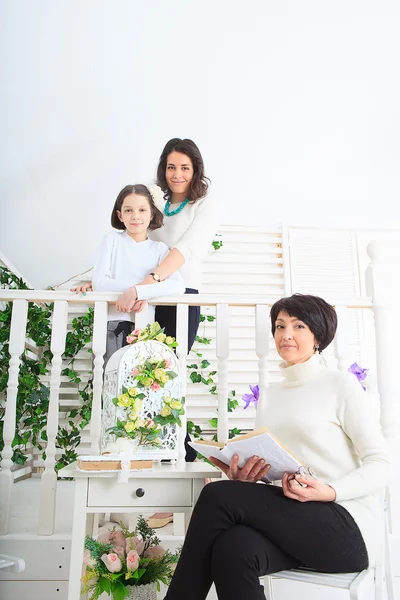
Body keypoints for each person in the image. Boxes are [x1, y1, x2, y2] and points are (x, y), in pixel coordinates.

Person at [164, 294, 391, 600]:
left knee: (217, 494)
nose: (286, 334)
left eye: (298, 326)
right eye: (280, 326)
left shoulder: (340, 385)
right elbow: (276, 471)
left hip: (347, 526)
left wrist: (329, 490)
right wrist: (249, 477)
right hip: (298, 522)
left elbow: (382, 464)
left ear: (318, 335)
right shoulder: (270, 396)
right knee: (233, 547)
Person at [91, 183, 184, 366]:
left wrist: (137, 292)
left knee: (139, 386)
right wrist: (141, 288)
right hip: (113, 323)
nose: (136, 216)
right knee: (110, 378)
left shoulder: (159, 249)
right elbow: (100, 283)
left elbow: (178, 286)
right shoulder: (111, 241)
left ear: (151, 214)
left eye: (142, 210)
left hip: (147, 325)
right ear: (120, 215)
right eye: (128, 210)